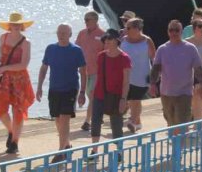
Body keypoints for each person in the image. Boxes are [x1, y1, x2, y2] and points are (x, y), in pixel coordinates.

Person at [36, 23, 87, 162]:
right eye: (59, 32)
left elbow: (83, 72)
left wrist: (82, 92)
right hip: (54, 88)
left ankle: (61, 152)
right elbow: (44, 68)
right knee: (58, 120)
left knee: (65, 118)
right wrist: (39, 87)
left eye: (64, 32)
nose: (61, 35)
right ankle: (67, 145)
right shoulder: (51, 49)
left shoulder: (76, 50)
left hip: (70, 89)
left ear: (70, 34)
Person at [0, 12, 35, 154]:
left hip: (19, 79)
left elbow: (24, 64)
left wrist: (4, 68)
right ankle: (11, 131)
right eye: (13, 24)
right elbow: (1, 55)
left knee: (18, 110)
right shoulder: (3, 37)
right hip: (3, 77)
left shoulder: (26, 42)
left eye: (18, 24)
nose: (15, 26)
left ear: (22, 26)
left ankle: (15, 142)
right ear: (9, 25)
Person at [150, 20, 202, 128]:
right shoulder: (162, 49)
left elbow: (198, 69)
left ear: (181, 32)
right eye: (171, 30)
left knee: (182, 122)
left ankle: (181, 142)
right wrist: (152, 84)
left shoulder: (190, 48)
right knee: (170, 122)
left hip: (184, 93)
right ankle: (177, 142)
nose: (174, 33)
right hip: (166, 93)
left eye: (177, 30)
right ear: (168, 32)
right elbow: (156, 68)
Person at [90, 29, 131, 149]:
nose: (106, 42)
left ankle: (119, 151)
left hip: (116, 95)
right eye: (105, 40)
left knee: (116, 124)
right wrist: (93, 92)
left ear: (116, 41)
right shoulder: (101, 56)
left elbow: (126, 81)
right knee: (96, 121)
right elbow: (99, 75)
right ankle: (94, 149)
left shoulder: (124, 58)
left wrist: (124, 99)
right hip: (100, 94)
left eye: (109, 40)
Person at [120, 17, 156, 132]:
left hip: (142, 76)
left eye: (128, 27)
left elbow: (153, 58)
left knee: (136, 100)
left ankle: (132, 120)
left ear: (137, 29)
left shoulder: (147, 41)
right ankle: (137, 123)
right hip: (126, 77)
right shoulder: (123, 40)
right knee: (130, 100)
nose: (126, 29)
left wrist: (154, 77)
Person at [75, 10, 105, 132]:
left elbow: (107, 53)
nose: (85, 22)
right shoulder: (82, 33)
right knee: (88, 94)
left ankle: (87, 121)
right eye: (85, 19)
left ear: (95, 20)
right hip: (83, 71)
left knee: (92, 95)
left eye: (87, 19)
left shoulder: (103, 35)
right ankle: (98, 114)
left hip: (97, 71)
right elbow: (76, 50)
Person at [185, 18, 202, 120]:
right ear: (194, 28)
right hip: (189, 76)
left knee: (200, 103)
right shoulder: (187, 42)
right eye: (200, 26)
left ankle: (198, 129)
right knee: (192, 102)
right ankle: (193, 115)